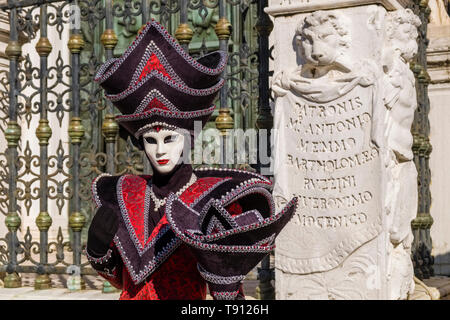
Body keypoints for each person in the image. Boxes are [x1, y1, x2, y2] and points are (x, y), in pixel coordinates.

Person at [85, 19, 296, 300]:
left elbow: (228, 295)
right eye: (151, 140)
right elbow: (121, 277)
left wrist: (224, 278)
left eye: (170, 139)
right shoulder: (126, 195)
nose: (160, 150)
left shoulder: (216, 200)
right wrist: (98, 253)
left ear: (189, 139)